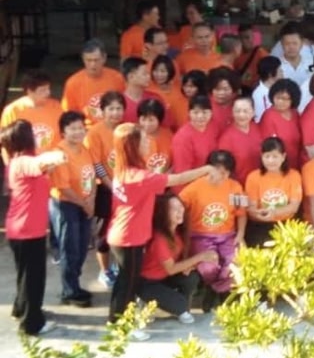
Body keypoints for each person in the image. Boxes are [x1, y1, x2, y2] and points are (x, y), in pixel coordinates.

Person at [107, 123, 212, 337]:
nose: (148, 142)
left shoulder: (124, 171)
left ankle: (117, 321)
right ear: (133, 146)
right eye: (143, 140)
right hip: (129, 238)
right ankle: (122, 326)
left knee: (124, 282)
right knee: (128, 285)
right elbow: (178, 179)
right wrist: (206, 169)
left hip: (124, 235)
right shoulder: (140, 177)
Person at [2, 120, 67, 335]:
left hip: (23, 227)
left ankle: (22, 308)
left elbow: (41, 168)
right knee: (33, 278)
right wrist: (60, 154)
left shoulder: (18, 162)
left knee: (26, 274)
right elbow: (45, 161)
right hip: (27, 229)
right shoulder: (24, 162)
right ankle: (32, 323)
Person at [178, 150, 246, 305]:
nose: (221, 176)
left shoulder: (235, 187)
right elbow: (177, 206)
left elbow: (241, 213)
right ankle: (214, 288)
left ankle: (218, 292)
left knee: (234, 265)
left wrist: (240, 234)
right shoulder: (194, 188)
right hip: (200, 236)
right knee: (209, 268)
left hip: (227, 235)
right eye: (217, 171)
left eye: (225, 172)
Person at [138, 193, 214, 326]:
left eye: (181, 206)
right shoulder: (159, 238)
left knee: (191, 277)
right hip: (148, 283)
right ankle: (149, 303)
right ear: (163, 213)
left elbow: (177, 263)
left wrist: (189, 266)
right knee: (181, 304)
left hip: (165, 277)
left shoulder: (178, 232)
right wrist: (201, 257)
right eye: (173, 209)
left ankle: (177, 307)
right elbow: (171, 269)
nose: (180, 211)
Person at [49, 111, 96, 307]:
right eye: (72, 129)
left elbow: (91, 176)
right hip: (67, 205)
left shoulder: (84, 149)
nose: (78, 132)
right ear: (63, 132)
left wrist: (91, 199)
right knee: (70, 249)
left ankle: (74, 285)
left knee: (82, 247)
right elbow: (63, 187)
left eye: (81, 128)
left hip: (85, 204)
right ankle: (70, 291)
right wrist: (85, 204)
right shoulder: (59, 154)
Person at [84, 92, 124, 287]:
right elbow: (96, 163)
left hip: (125, 189)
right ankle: (105, 270)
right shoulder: (95, 132)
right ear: (102, 111)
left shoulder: (126, 130)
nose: (115, 113)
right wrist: (111, 185)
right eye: (111, 109)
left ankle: (118, 266)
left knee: (122, 231)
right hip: (105, 190)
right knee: (105, 233)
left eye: (119, 108)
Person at [243, 137, 304, 247]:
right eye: (267, 156)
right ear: (261, 157)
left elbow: (293, 207)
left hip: (286, 224)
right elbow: (251, 208)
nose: (271, 161)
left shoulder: (294, 175)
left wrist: (274, 213)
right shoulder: (253, 177)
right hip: (260, 225)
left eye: (275, 156)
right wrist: (259, 215)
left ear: (283, 157)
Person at [62, 39, 126, 125]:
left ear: (104, 58)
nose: (92, 64)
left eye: (96, 60)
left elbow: (125, 106)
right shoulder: (72, 83)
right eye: (89, 60)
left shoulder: (117, 78)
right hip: (87, 129)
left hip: (113, 126)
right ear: (83, 59)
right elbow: (69, 115)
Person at [1, 70, 64, 153]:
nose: (48, 92)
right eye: (42, 90)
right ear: (29, 91)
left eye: (48, 88)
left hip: (53, 158)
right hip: (25, 159)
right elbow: (5, 142)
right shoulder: (13, 110)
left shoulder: (56, 106)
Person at [217, 97, 264, 184]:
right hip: (238, 185)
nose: (241, 115)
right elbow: (223, 167)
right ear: (232, 112)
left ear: (253, 112)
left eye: (245, 111)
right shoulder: (226, 138)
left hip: (260, 182)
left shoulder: (259, 128)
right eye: (237, 111)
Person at [171, 96, 219, 180]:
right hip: (191, 182)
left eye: (205, 112)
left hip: (211, 178)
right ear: (189, 113)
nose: (200, 116)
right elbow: (182, 173)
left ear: (211, 113)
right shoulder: (182, 138)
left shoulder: (214, 126)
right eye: (196, 113)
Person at [260, 79, 304, 169]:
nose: (280, 101)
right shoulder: (268, 116)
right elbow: (268, 147)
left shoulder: (295, 114)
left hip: (295, 164)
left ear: (293, 99)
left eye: (285, 99)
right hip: (278, 166)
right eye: (278, 97)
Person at [148, 56, 185, 130]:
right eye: (156, 70)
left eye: (163, 71)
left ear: (170, 72)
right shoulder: (148, 91)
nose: (159, 75)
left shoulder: (180, 89)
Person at [138, 99, 173, 174]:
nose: (147, 124)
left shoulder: (168, 135)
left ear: (159, 120)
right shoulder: (133, 137)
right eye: (143, 119)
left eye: (151, 120)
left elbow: (175, 160)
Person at [234, 24, 269, 94]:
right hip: (241, 91)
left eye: (248, 37)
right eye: (242, 38)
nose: (246, 41)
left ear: (253, 37)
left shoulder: (261, 53)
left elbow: (270, 73)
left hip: (256, 91)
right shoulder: (236, 55)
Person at [207, 67, 240, 137]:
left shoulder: (240, 104)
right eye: (217, 89)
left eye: (225, 89)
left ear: (233, 90)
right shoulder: (203, 106)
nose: (221, 93)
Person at [252, 56, 283, 122]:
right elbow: (259, 119)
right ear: (270, 74)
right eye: (280, 70)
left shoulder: (281, 89)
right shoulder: (258, 94)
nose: (282, 72)